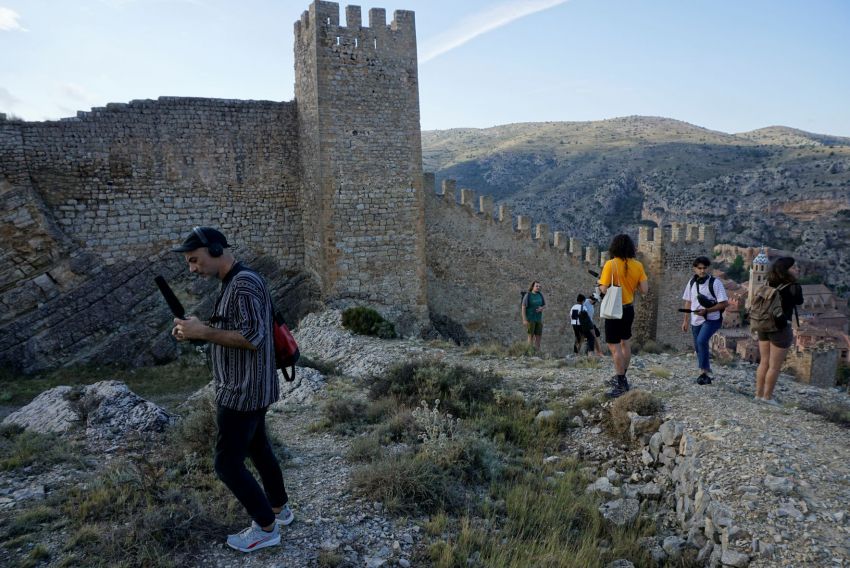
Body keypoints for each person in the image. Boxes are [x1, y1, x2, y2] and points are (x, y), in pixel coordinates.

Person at [171, 226, 293, 553]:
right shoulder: (234, 281)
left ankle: (265, 527)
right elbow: (233, 329)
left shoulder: (243, 284)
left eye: (195, 260)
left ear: (214, 249)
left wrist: (204, 332)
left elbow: (252, 338)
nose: (193, 268)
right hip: (251, 387)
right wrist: (197, 331)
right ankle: (279, 509)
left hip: (242, 391)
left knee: (226, 464)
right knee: (258, 449)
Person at [598, 234, 648, 398]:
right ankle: (623, 376)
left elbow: (604, 289)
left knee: (614, 347)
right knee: (625, 343)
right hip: (628, 309)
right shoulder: (638, 265)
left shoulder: (610, 265)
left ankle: (620, 383)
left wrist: (600, 285)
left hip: (614, 310)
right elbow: (644, 290)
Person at [755, 257, 804, 405]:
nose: (797, 269)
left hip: (763, 325)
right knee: (774, 366)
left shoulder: (768, 282)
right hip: (780, 327)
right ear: (787, 269)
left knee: (763, 362)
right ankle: (767, 398)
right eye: (794, 267)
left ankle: (758, 395)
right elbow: (799, 301)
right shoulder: (793, 286)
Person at [681, 256, 729, 385]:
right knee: (698, 346)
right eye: (699, 268)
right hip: (695, 319)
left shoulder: (715, 283)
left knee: (702, 340)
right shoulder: (691, 282)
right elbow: (688, 301)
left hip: (712, 319)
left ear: (708, 268)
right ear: (694, 269)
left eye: (704, 268)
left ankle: (704, 373)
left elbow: (724, 303)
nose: (702, 271)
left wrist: (707, 311)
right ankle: (703, 370)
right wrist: (685, 320)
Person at [521, 280, 545, 350]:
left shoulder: (540, 295)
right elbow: (523, 307)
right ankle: (529, 351)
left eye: (539, 286)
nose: (538, 287)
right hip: (530, 319)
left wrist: (542, 308)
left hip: (538, 319)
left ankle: (537, 352)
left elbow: (544, 305)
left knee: (538, 336)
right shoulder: (528, 295)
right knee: (530, 336)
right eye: (536, 286)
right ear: (532, 287)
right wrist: (524, 320)